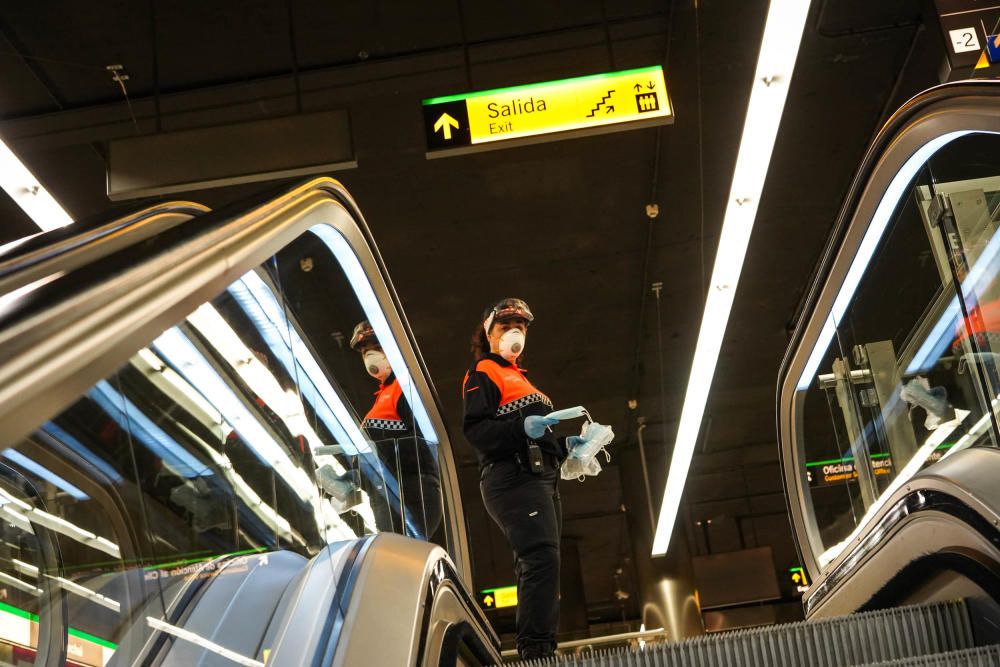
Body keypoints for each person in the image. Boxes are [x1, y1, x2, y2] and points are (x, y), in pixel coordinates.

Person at [462, 298, 586, 660]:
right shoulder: (483, 371)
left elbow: (535, 435)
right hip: (513, 477)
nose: (515, 333)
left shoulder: (520, 376)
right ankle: (536, 653)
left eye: (522, 326)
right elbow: (477, 431)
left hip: (539, 476)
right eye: (506, 326)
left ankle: (541, 648)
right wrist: (522, 427)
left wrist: (565, 447)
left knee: (547, 559)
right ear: (488, 332)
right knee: (539, 559)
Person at [349, 320, 442, 539]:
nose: (370, 356)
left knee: (403, 555)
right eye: (365, 350)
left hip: (410, 491)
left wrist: (374, 455)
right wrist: (351, 474)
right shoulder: (384, 396)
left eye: (377, 348)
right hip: (389, 492)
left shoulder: (406, 389)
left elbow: (422, 442)